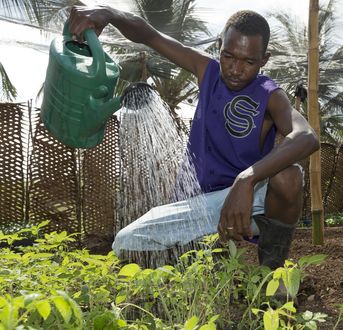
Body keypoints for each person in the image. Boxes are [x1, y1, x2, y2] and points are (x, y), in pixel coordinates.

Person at [68, 6, 319, 271]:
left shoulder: (269, 94)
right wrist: (109, 13)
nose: (235, 69)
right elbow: (150, 36)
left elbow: (306, 136)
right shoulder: (206, 71)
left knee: (289, 176)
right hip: (198, 206)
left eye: (249, 62)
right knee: (126, 242)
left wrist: (247, 179)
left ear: (264, 59)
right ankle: (201, 258)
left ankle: (273, 272)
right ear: (219, 46)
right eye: (228, 56)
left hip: (248, 206)